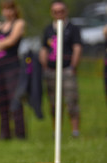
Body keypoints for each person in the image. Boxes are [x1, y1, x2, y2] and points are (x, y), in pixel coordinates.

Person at [39, 0, 82, 138]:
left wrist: (73, 66)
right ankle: (56, 131)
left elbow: (77, 48)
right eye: (55, 12)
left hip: (67, 69)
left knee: (71, 101)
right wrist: (44, 65)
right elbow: (44, 49)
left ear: (66, 11)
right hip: (51, 71)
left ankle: (75, 131)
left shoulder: (72, 29)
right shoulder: (48, 29)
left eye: (61, 11)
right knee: (54, 103)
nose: (58, 14)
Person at [0, 0, 26, 140]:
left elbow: (12, 40)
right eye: (5, 9)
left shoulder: (19, 23)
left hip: (13, 65)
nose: (7, 12)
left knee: (14, 99)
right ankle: (4, 133)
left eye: (10, 9)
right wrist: (0, 44)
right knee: (1, 99)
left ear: (15, 10)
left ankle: (20, 133)